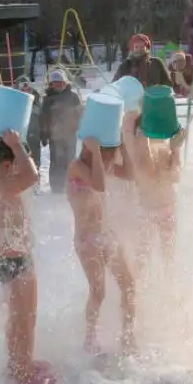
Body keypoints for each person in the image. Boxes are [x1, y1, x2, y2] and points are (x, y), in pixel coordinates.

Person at [0, 131, 56, 384]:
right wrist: (17, 146)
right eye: (15, 161)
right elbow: (33, 175)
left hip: (5, 258)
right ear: (6, 163)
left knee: (17, 318)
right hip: (15, 259)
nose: (19, 165)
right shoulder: (4, 183)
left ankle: (17, 363)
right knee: (26, 320)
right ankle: (24, 375)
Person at [66, 138, 137, 356]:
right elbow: (98, 185)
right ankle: (90, 338)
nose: (110, 159)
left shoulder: (102, 166)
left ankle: (127, 336)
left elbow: (130, 173)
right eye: (109, 153)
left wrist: (123, 146)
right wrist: (96, 152)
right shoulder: (76, 166)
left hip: (106, 234)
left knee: (129, 284)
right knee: (98, 292)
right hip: (87, 239)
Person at [122, 111, 185, 276]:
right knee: (144, 257)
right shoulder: (135, 147)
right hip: (149, 210)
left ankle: (166, 291)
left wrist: (176, 148)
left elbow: (176, 176)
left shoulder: (164, 146)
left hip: (165, 208)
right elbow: (149, 171)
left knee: (166, 258)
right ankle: (136, 293)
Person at [39, 69, 82, 194]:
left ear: (65, 82)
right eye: (55, 83)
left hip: (70, 133)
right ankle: (57, 187)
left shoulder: (73, 96)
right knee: (57, 161)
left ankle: (72, 184)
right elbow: (43, 117)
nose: (58, 85)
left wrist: (79, 124)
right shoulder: (48, 99)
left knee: (70, 160)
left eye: (61, 82)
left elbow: (80, 112)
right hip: (55, 136)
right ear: (51, 84)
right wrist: (44, 134)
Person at [16, 77, 45, 194]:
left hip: (34, 136)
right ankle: (21, 185)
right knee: (20, 161)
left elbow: (43, 120)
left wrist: (44, 135)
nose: (25, 88)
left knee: (35, 161)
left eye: (27, 85)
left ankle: (35, 185)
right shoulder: (15, 100)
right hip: (19, 137)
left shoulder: (37, 100)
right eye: (23, 86)